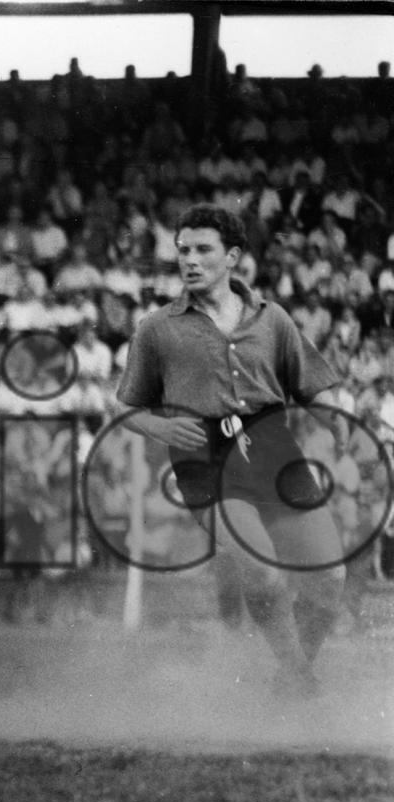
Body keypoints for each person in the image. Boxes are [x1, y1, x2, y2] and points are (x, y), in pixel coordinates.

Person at [116, 204, 350, 697]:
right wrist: (161, 429)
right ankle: (298, 679)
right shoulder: (157, 329)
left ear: (233, 257)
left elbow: (312, 384)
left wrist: (337, 421)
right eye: (183, 250)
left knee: (329, 578)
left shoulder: (273, 319)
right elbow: (127, 410)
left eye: (204, 250)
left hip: (273, 450)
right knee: (261, 570)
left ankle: (291, 674)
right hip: (206, 460)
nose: (190, 260)